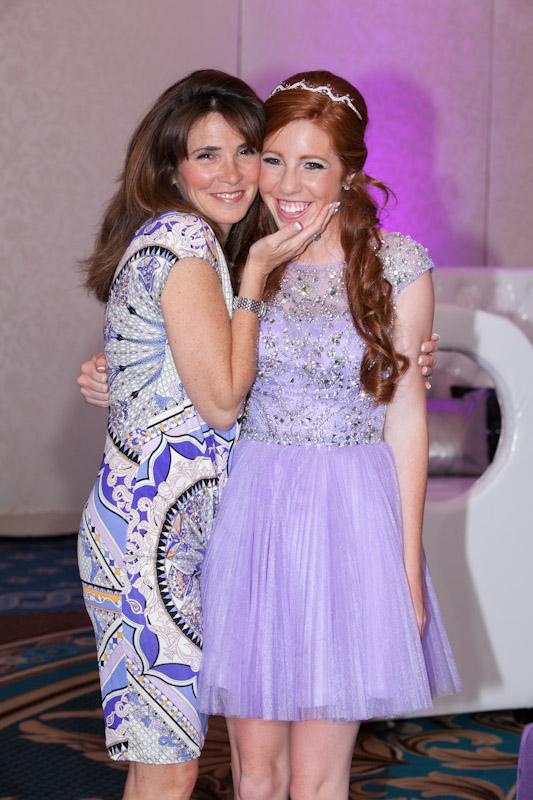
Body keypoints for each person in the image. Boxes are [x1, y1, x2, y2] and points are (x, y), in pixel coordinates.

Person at [194, 71, 462, 800]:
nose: (287, 185)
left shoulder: (397, 266)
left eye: (312, 164)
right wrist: (106, 371)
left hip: (350, 520)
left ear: (349, 172)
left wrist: (406, 568)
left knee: (318, 778)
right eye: (272, 159)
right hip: (254, 515)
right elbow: (185, 366)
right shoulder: (230, 257)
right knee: (255, 772)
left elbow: (405, 418)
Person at [77, 68, 336, 800]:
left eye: (246, 151)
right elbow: (223, 403)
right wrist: (253, 277)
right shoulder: (187, 241)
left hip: (167, 537)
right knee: (169, 768)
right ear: (172, 168)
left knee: (163, 764)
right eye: (206, 155)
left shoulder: (192, 243)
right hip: (144, 544)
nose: (232, 173)